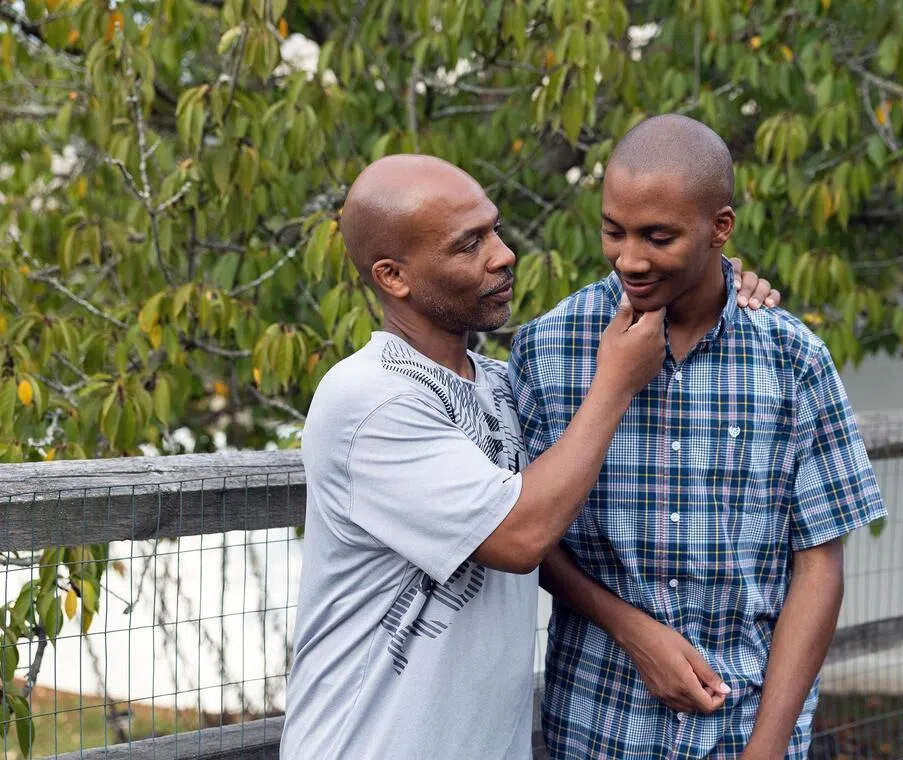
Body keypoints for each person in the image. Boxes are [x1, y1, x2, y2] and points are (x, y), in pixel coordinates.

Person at [278, 153, 781, 760]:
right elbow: (521, 538)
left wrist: (716, 282)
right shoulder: (370, 399)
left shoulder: (496, 384)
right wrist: (615, 384)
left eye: (493, 229)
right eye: (469, 245)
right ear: (393, 277)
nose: (503, 253)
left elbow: (554, 494)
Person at [511, 114, 888, 760]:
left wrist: (767, 747)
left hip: (748, 732)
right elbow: (521, 533)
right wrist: (631, 629)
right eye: (613, 231)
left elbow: (819, 566)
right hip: (601, 728)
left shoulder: (793, 359)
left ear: (721, 228)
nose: (630, 257)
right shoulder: (549, 348)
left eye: (658, 237)